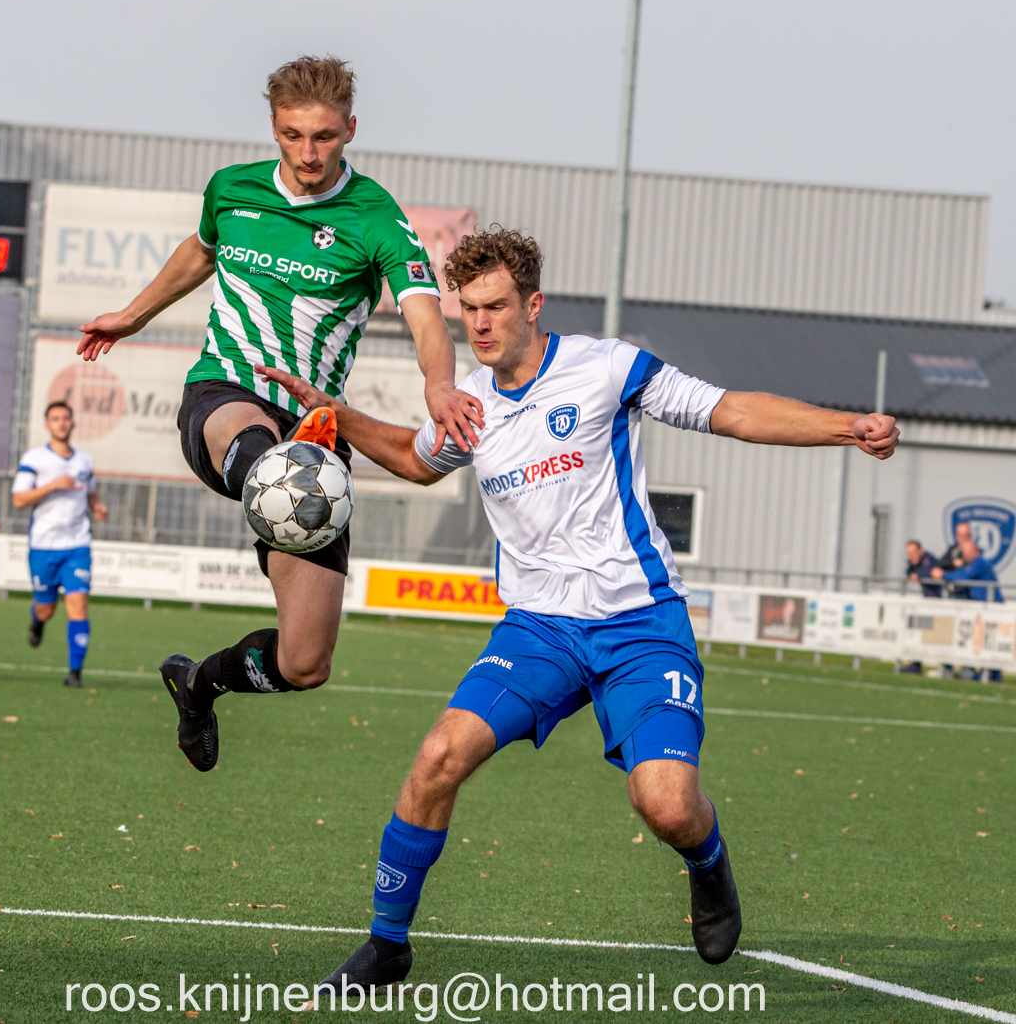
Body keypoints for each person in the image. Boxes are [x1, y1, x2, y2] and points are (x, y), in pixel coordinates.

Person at [256, 227, 900, 988]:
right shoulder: (470, 404)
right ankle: (388, 943)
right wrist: (341, 414)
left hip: (640, 623)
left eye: (496, 306)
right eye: (469, 310)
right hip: (540, 631)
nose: (481, 324)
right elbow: (416, 460)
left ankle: (708, 861)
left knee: (666, 805)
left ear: (533, 305)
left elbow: (728, 410)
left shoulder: (606, 367)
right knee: (437, 759)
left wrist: (846, 428)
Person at [74, 55, 482, 769]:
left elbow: (425, 316)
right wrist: (133, 315)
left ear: (350, 129)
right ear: (273, 127)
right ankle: (271, 473)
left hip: (315, 432)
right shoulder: (232, 190)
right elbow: (200, 252)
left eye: (324, 136)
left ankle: (199, 684)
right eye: (293, 135)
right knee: (269, 460)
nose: (308, 153)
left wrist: (440, 385)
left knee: (304, 662)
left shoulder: (376, 217)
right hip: (225, 399)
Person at [11, 401, 108, 687]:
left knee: (78, 606)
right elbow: (19, 499)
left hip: (77, 544)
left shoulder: (84, 461)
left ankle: (75, 673)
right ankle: (37, 621)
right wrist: (52, 485)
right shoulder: (35, 458)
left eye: (66, 418)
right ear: (47, 424)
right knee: (47, 608)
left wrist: (97, 506)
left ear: (72, 423)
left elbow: (90, 493)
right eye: (55, 419)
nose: (61, 423)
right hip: (43, 545)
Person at [932, 537, 1005, 683]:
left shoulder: (979, 563)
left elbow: (962, 578)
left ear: (974, 551)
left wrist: (943, 574)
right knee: (986, 641)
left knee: (991, 641)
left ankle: (993, 675)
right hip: (983, 607)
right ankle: (990, 674)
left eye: (965, 553)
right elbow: (961, 574)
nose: (963, 555)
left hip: (992, 607)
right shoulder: (972, 563)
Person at [901, 539, 940, 673]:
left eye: (913, 552)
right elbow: (908, 570)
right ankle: (915, 664)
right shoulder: (914, 562)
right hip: (927, 603)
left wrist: (917, 575)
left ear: (920, 551)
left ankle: (946, 668)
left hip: (938, 604)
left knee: (941, 637)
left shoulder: (928, 560)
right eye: (909, 553)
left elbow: (930, 573)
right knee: (918, 634)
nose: (911, 556)